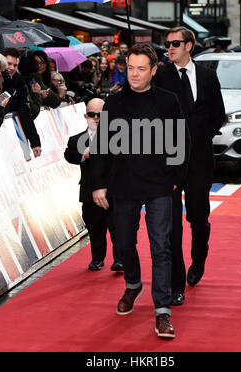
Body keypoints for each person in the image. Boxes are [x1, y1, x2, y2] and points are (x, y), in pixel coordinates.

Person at [90, 44, 190, 339]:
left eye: (141, 68)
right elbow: (102, 148)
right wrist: (98, 184)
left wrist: (176, 178)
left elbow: (181, 142)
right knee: (123, 243)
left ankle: (162, 312)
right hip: (123, 184)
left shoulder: (168, 101)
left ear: (154, 70)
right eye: (130, 68)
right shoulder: (115, 102)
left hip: (160, 184)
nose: (134, 74)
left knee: (161, 247)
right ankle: (133, 284)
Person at [154, 27, 226, 306]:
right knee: (170, 225)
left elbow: (218, 114)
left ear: (189, 46)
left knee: (198, 219)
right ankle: (176, 284)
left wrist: (199, 137)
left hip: (199, 161)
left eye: (175, 43)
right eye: (167, 44)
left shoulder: (208, 76)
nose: (169, 48)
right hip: (169, 162)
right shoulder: (160, 75)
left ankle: (199, 259)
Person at [64, 98, 123, 272]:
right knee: (95, 228)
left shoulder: (117, 137)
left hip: (113, 191)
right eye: (92, 114)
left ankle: (120, 259)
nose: (96, 118)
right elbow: (68, 154)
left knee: (117, 227)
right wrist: (84, 155)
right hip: (89, 192)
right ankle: (97, 258)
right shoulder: (77, 140)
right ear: (85, 116)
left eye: (100, 114)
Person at [2, 48, 42, 158]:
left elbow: (25, 110)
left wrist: (35, 142)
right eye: (9, 64)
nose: (12, 68)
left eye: (15, 65)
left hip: (7, 137)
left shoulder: (18, 80)